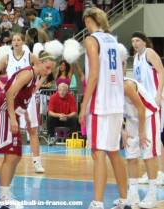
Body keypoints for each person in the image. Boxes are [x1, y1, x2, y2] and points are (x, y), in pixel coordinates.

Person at [0, 50, 56, 209]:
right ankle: (3, 197)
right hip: (4, 113)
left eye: (50, 70)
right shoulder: (27, 73)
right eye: (46, 68)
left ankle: (5, 194)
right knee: (11, 156)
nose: (48, 72)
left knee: (16, 155)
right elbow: (10, 93)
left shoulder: (34, 77)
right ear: (38, 63)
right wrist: (13, 118)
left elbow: (23, 97)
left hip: (14, 114)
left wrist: (24, 115)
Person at [79, 7, 130, 209]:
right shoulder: (113, 41)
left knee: (98, 152)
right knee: (114, 152)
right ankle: (125, 200)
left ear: (89, 21)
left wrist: (83, 105)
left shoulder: (92, 40)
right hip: (117, 103)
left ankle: (97, 202)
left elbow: (94, 75)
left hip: (100, 104)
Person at [0, 33, 45, 173]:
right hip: (12, 96)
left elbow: (43, 72)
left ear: (23, 42)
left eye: (18, 40)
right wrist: (2, 86)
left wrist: (35, 87)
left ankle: (37, 162)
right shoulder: (7, 57)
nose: (16, 42)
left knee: (32, 129)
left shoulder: (30, 56)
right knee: (11, 129)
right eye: (14, 40)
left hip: (27, 96)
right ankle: (7, 162)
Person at [131, 31, 164, 185]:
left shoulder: (149, 53)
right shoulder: (136, 59)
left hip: (158, 100)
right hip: (147, 102)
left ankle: (161, 172)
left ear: (144, 42)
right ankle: (152, 171)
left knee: (159, 136)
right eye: (133, 41)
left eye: (138, 40)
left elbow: (162, 71)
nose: (135, 44)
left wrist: (159, 94)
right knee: (150, 138)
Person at [122, 77, 160, 208]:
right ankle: (133, 194)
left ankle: (152, 194)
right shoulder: (108, 88)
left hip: (148, 116)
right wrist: (123, 129)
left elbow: (141, 109)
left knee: (148, 154)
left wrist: (142, 132)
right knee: (130, 155)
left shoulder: (127, 85)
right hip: (132, 119)